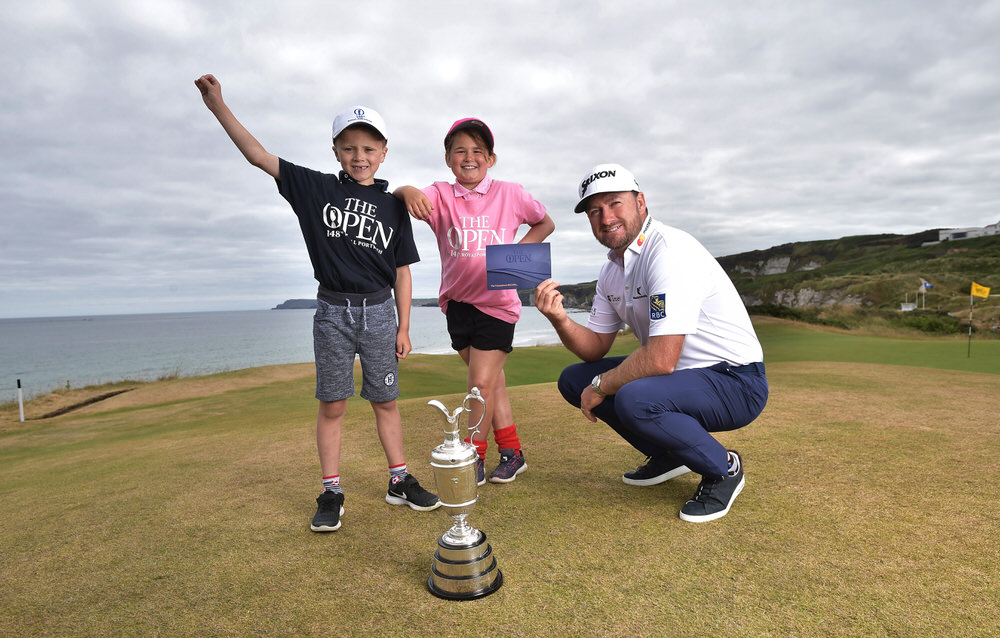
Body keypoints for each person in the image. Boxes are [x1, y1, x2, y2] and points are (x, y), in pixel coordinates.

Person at [195, 74, 439, 533]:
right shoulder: (315, 188)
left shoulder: (394, 206)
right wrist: (217, 107)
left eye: (370, 148)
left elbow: (403, 271)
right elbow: (258, 156)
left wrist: (405, 326)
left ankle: (399, 480)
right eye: (349, 148)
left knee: (386, 401)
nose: (360, 156)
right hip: (332, 314)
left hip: (381, 314)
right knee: (332, 404)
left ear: (383, 154)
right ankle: (331, 491)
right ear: (335, 152)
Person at [534, 163, 768, 523]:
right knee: (573, 379)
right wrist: (560, 319)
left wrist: (602, 385)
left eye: (615, 204)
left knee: (633, 397)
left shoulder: (669, 251)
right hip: (683, 376)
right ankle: (671, 453)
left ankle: (724, 468)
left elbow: (660, 359)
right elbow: (595, 346)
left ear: (640, 202)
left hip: (735, 380)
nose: (605, 217)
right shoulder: (613, 268)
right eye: (594, 211)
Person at [396, 118, 554, 485]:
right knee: (490, 383)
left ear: (491, 158)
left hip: (498, 304)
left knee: (479, 386)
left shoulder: (510, 193)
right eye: (460, 151)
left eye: (477, 152)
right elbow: (403, 198)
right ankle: (513, 453)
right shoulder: (439, 194)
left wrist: (513, 256)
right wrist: (405, 190)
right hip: (457, 305)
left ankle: (473, 458)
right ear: (449, 159)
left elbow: (544, 223)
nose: (469, 158)